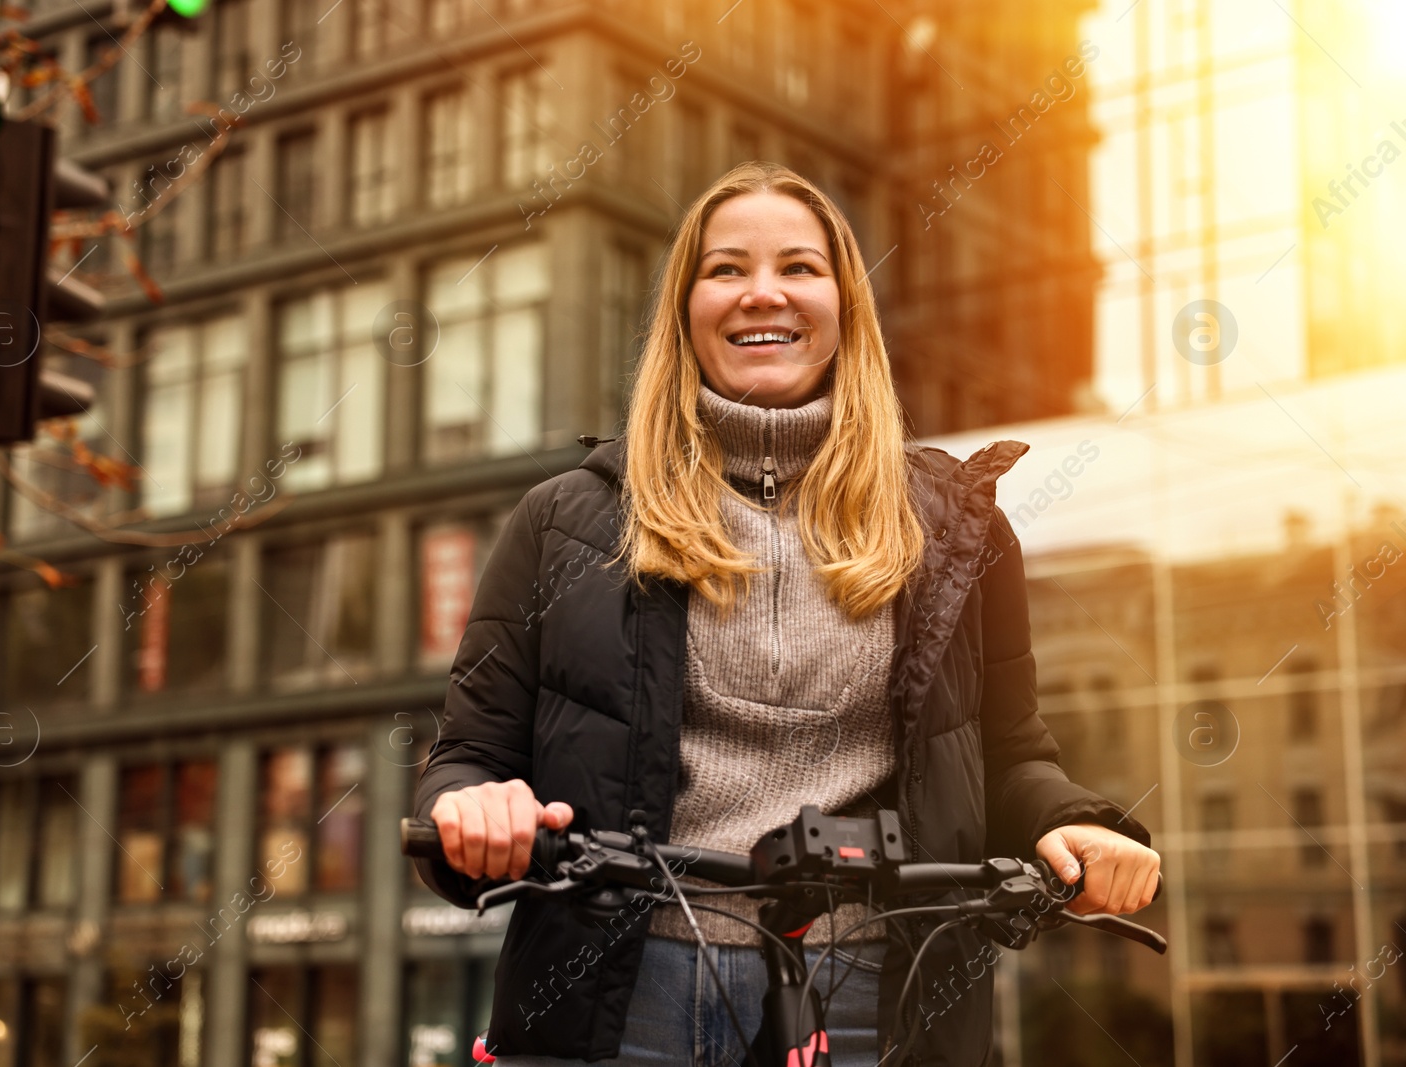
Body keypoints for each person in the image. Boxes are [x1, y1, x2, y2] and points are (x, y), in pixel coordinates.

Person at [412, 161, 1160, 1066]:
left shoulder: (958, 526)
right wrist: (472, 806)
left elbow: (1008, 753)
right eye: (725, 269)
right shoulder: (566, 520)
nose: (761, 292)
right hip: (621, 989)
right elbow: (469, 756)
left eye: (800, 267)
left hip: (877, 989)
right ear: (685, 310)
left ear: (846, 305)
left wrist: (1078, 822)